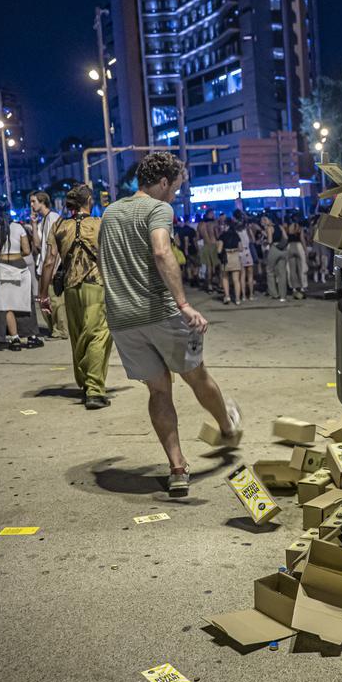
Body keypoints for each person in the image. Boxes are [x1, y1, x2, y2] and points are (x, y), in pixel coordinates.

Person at [97, 151, 243, 497]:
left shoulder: (110, 211)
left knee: (159, 390)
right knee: (197, 376)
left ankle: (178, 468)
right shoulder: (158, 209)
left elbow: (103, 262)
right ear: (162, 182)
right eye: (175, 187)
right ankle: (227, 428)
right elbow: (162, 251)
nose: (176, 195)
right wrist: (184, 304)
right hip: (161, 313)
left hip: (122, 318)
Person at [38, 185, 111, 409]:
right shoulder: (99, 224)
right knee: (98, 334)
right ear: (88, 201)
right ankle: (95, 390)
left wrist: (43, 295)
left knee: (78, 336)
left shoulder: (60, 226)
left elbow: (50, 262)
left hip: (70, 288)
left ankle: (85, 382)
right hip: (96, 285)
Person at [0, 200, 34, 351]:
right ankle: (30, 334)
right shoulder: (18, 227)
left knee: (5, 306)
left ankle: (14, 338)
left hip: (1, 268)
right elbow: (26, 250)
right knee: (22, 304)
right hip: (19, 267)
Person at [29, 190, 67, 340]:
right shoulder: (42, 221)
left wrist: (53, 268)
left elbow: (58, 246)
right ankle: (53, 329)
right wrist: (33, 224)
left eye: (34, 201)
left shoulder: (53, 218)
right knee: (43, 300)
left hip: (51, 267)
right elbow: (37, 246)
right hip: (42, 266)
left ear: (42, 201)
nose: (31, 205)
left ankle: (61, 330)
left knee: (55, 301)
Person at [262, 213, 289, 302]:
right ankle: (283, 296)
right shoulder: (280, 226)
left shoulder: (269, 228)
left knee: (270, 271)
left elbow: (270, 240)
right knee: (282, 273)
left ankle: (274, 293)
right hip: (283, 249)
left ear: (269, 220)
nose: (264, 222)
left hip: (274, 249)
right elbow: (286, 237)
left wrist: (265, 238)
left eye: (265, 220)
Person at [217, 217, 244, 305]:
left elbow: (219, 250)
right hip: (235, 256)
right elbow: (241, 248)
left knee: (225, 278)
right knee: (236, 280)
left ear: (226, 225)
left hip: (226, 257)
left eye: (223, 225)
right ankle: (237, 299)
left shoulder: (222, 236)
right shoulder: (236, 235)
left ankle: (227, 296)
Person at [285, 211, 309, 298]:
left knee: (291, 269)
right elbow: (302, 239)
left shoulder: (287, 227)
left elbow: (285, 238)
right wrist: (306, 250)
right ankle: (303, 286)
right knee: (301, 267)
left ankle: (293, 287)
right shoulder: (299, 227)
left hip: (289, 246)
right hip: (298, 246)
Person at [197, 209, 219, 292]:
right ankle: (218, 284)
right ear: (210, 214)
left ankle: (209, 285)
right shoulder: (213, 224)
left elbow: (198, 237)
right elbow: (217, 235)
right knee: (217, 266)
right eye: (213, 214)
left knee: (208, 267)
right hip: (214, 246)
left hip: (205, 246)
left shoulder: (200, 225)